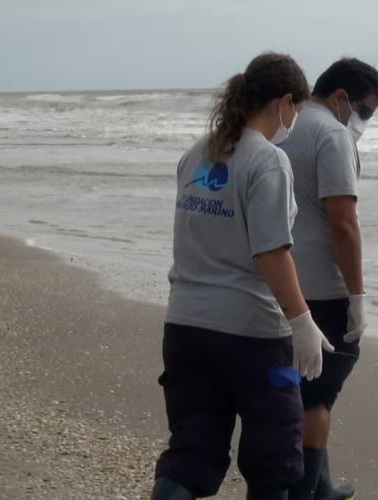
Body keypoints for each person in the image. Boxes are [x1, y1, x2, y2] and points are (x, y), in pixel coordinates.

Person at [151, 52, 335, 500]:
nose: (294, 118)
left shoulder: (196, 154)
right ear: (285, 102)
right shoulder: (267, 161)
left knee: (191, 451)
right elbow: (271, 252)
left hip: (185, 327)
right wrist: (301, 321)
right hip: (251, 334)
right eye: (297, 108)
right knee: (274, 462)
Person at [280, 58, 378, 500]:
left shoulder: (283, 127)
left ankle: (319, 482)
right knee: (317, 397)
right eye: (364, 111)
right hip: (322, 289)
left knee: (291, 389)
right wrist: (357, 295)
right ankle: (307, 492)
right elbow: (342, 223)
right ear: (341, 97)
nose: (362, 122)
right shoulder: (332, 135)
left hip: (279, 279)